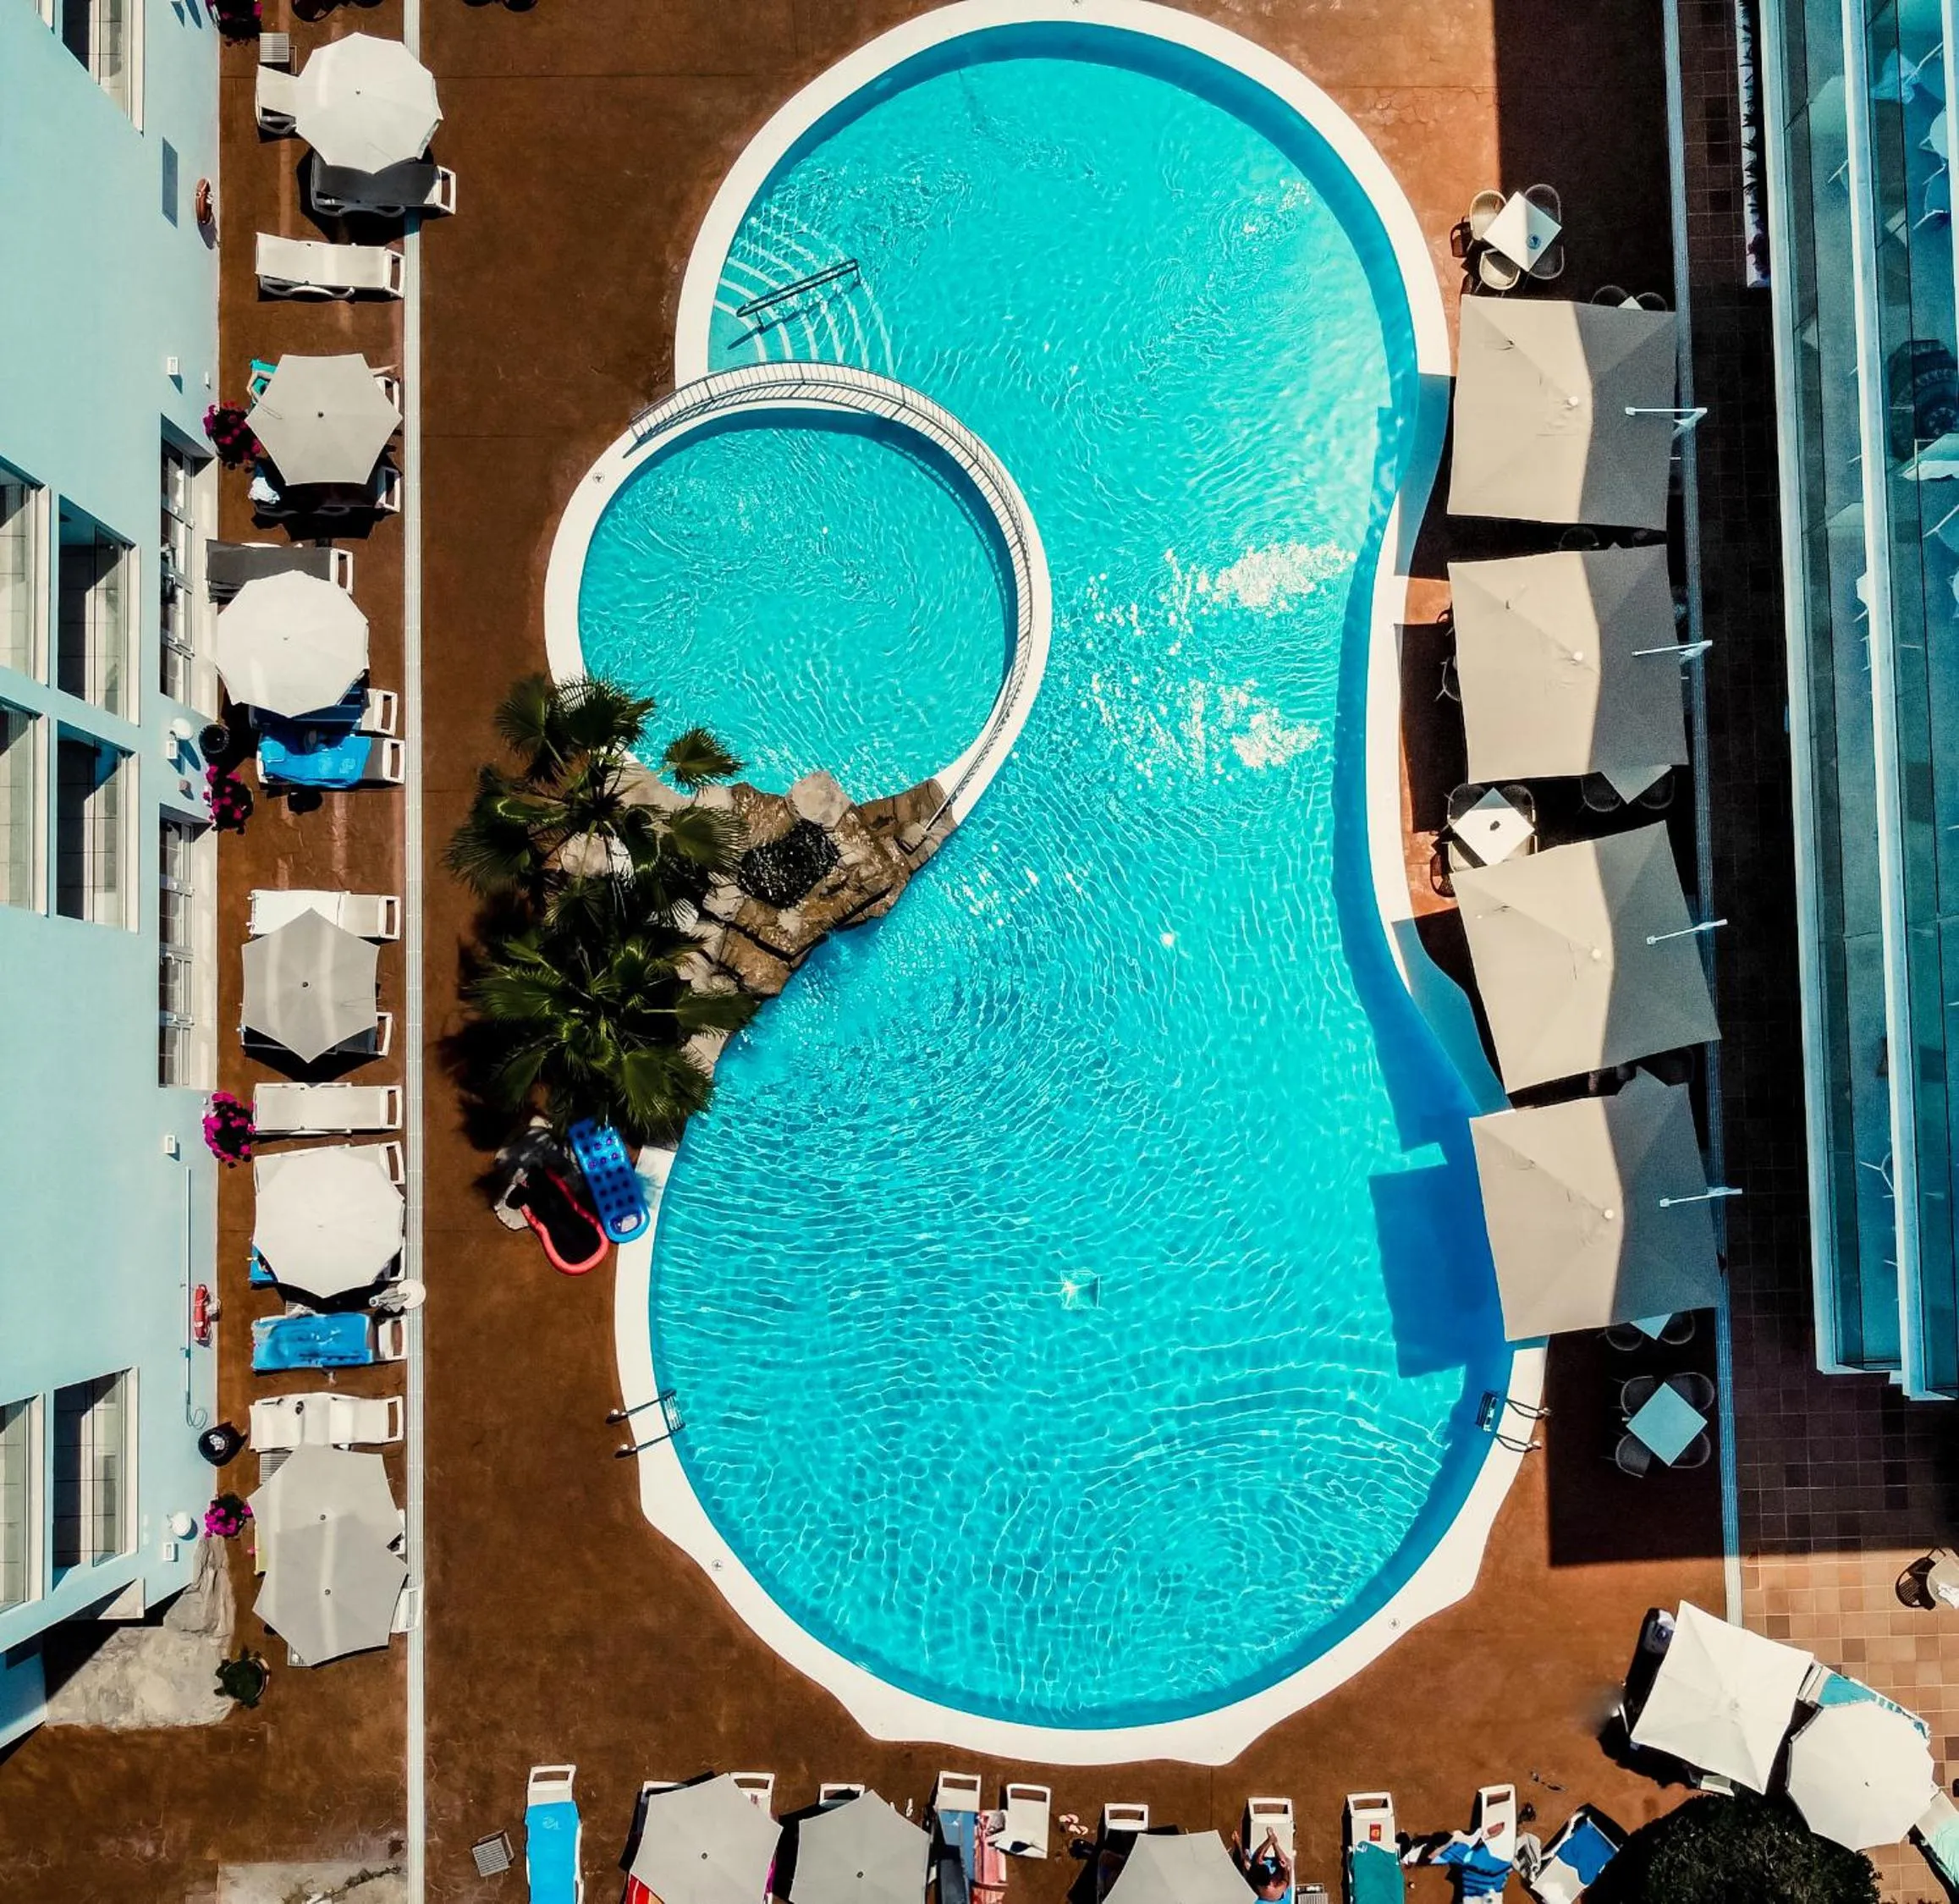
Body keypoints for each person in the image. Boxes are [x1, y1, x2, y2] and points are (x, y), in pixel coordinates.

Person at [1232, 1828, 1291, 1901]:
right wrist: (1285, 1869)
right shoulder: (1274, 1890)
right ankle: (1275, 1842)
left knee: (1251, 1861)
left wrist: (1237, 1843)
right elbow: (1286, 1880)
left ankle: (1271, 1840)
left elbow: (1248, 1860)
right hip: (1277, 1889)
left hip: (1264, 1886)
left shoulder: (1253, 1880)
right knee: (1287, 1864)